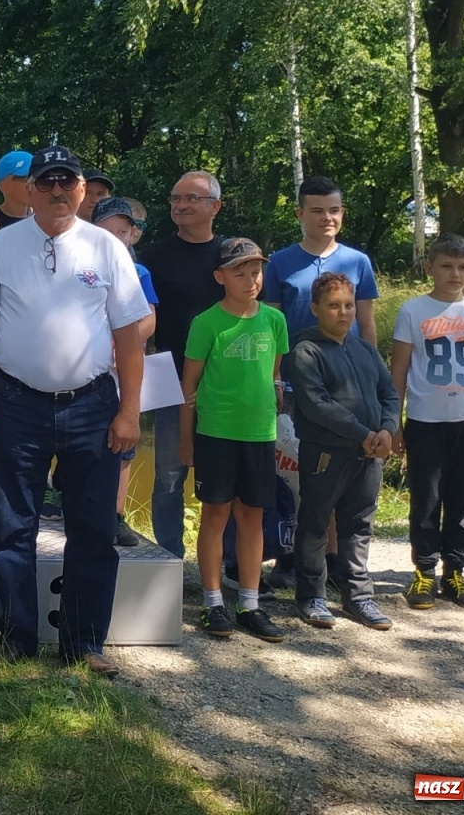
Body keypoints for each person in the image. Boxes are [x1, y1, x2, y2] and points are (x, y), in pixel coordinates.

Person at [0, 146, 149, 675]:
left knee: (92, 529)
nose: (59, 191)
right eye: (47, 182)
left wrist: (129, 411)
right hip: (15, 404)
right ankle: (18, 637)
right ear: (29, 190)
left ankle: (84, 644)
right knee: (13, 527)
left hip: (92, 406)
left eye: (69, 182)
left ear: (84, 189)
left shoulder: (108, 248)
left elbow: (128, 338)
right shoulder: (0, 247)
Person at [178, 238, 289, 643]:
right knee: (215, 515)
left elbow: (274, 375)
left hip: (259, 434)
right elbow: (188, 384)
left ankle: (249, 603)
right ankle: (212, 601)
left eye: (256, 271)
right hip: (215, 433)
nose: (250, 280)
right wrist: (186, 441)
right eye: (239, 272)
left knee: (253, 516)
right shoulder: (206, 322)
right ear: (219, 276)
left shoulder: (275, 321)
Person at [391, 234, 464, 611]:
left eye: (462, 267)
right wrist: (395, 420)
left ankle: (455, 569)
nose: (455, 274)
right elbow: (400, 369)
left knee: (462, 498)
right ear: (429, 268)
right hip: (426, 419)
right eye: (446, 266)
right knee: (426, 498)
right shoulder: (413, 311)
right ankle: (424, 571)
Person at [283, 273, 399, 631]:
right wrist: (363, 433)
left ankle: (358, 597)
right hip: (326, 454)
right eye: (333, 306)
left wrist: (387, 429)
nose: (343, 312)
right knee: (316, 523)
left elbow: (389, 393)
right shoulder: (305, 351)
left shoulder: (364, 348)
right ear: (316, 309)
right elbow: (317, 405)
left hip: (368, 456)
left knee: (359, 525)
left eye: (348, 305)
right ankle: (311, 596)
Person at [139, 170, 226, 559]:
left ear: (215, 206)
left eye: (191, 198)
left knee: (226, 476)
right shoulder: (153, 256)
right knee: (170, 476)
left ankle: (225, 562)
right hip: (168, 376)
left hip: (227, 380)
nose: (181, 206)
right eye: (176, 199)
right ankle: (169, 558)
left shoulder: (231, 255)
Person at [92, 196, 160, 548]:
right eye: (107, 231)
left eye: (122, 231)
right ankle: (85, 509)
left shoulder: (140, 272)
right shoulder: (82, 266)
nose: (116, 237)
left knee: (124, 444)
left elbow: (149, 318)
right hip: (89, 369)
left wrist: (125, 345)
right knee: (89, 441)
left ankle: (116, 516)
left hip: (124, 371)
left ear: (133, 234)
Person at [262, 177, 380, 343]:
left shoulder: (358, 262)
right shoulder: (278, 262)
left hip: (347, 362)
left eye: (333, 210)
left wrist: (370, 365)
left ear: (342, 213)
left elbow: (366, 323)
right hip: (296, 363)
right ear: (300, 214)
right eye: (317, 211)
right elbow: (271, 325)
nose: (327, 217)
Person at [0, 151, 32, 229]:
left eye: (37, 179)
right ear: (5, 186)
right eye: (27, 180)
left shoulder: (44, 219)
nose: (33, 185)